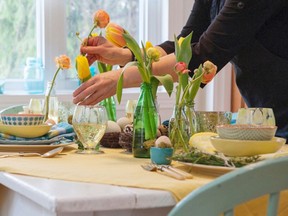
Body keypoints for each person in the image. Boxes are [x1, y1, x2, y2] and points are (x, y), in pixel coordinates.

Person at [73, 0, 288, 140]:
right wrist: (127, 55)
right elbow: (185, 43)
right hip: (268, 122)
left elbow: (202, 56)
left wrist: (123, 77)